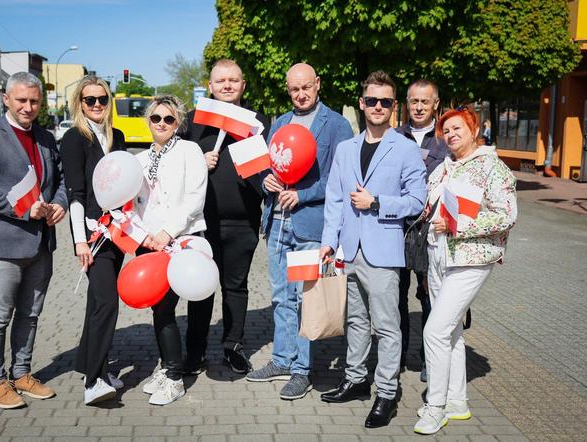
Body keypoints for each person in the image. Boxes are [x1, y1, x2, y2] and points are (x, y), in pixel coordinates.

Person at [319, 71, 427, 428]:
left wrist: (377, 202)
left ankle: (386, 392)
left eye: (385, 102)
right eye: (371, 100)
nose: (377, 107)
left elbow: (417, 200)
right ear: (361, 103)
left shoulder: (406, 148)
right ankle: (355, 379)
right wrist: (329, 242)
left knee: (386, 326)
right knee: (355, 320)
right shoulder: (346, 148)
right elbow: (334, 198)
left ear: (393, 106)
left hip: (383, 251)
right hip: (349, 250)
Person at [246, 63, 353, 400]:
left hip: (310, 225)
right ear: (288, 89)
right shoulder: (278, 123)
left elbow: (341, 179)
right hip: (277, 222)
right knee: (281, 298)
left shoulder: (337, 125)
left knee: (305, 300)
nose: (301, 94)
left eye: (306, 86)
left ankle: (300, 371)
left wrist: (303, 194)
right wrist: (266, 181)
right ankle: (281, 359)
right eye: (294, 89)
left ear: (318, 84)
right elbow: (270, 165)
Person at [0, 72, 67, 409]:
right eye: (21, 100)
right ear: (6, 99)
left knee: (30, 314)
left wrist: (59, 205)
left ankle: (22, 374)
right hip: (4, 244)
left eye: (34, 101)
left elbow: (62, 181)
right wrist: (25, 209)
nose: (28, 107)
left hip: (41, 244)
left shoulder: (46, 138)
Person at [413, 107, 516, 434]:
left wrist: (459, 226)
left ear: (474, 130)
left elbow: (507, 215)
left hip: (471, 258)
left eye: (458, 128)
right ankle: (457, 401)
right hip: (439, 254)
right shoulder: (444, 167)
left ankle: (436, 406)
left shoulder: (492, 167)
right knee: (452, 331)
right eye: (447, 130)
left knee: (434, 330)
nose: (452, 134)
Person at [178, 59, 269, 375]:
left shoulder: (258, 122)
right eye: (221, 81)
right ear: (211, 86)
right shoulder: (193, 122)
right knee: (200, 288)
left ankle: (233, 347)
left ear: (243, 85)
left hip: (243, 221)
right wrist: (198, 161)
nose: (227, 85)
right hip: (202, 223)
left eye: (233, 80)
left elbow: (270, 168)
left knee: (236, 287)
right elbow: (175, 168)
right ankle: (195, 352)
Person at [134, 95, 208, 406]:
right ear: (148, 121)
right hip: (149, 243)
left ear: (178, 123)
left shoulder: (190, 151)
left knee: (166, 307)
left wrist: (167, 232)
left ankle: (175, 377)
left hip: (182, 239)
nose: (162, 124)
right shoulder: (138, 160)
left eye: (169, 119)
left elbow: (195, 198)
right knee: (158, 307)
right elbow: (133, 203)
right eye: (156, 118)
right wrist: (143, 235)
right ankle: (167, 368)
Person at [59, 75, 127, 405]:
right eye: (90, 100)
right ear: (79, 104)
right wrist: (79, 241)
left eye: (102, 99)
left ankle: (89, 364)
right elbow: (75, 193)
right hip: (92, 234)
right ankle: (94, 381)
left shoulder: (118, 136)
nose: (97, 104)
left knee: (95, 303)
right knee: (106, 302)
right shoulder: (74, 139)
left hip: (118, 233)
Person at [396, 79, 449, 381]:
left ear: (435, 104)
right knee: (396, 297)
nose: (418, 107)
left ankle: (430, 357)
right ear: (407, 102)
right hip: (398, 231)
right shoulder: (394, 137)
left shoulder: (445, 140)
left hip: (431, 233)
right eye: (414, 101)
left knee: (431, 298)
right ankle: (399, 354)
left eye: (424, 102)